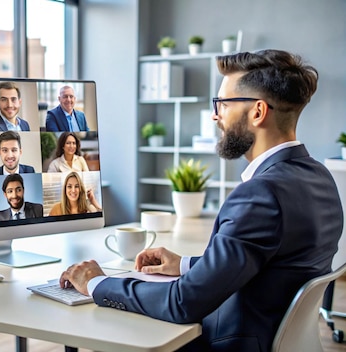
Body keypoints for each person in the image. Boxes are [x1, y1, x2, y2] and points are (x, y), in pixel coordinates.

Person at [59, 50, 343, 352]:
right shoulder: (319, 177)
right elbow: (273, 265)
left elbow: (183, 303)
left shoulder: (260, 194)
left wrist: (96, 283)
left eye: (222, 104)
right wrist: (183, 264)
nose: (215, 115)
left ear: (258, 112)